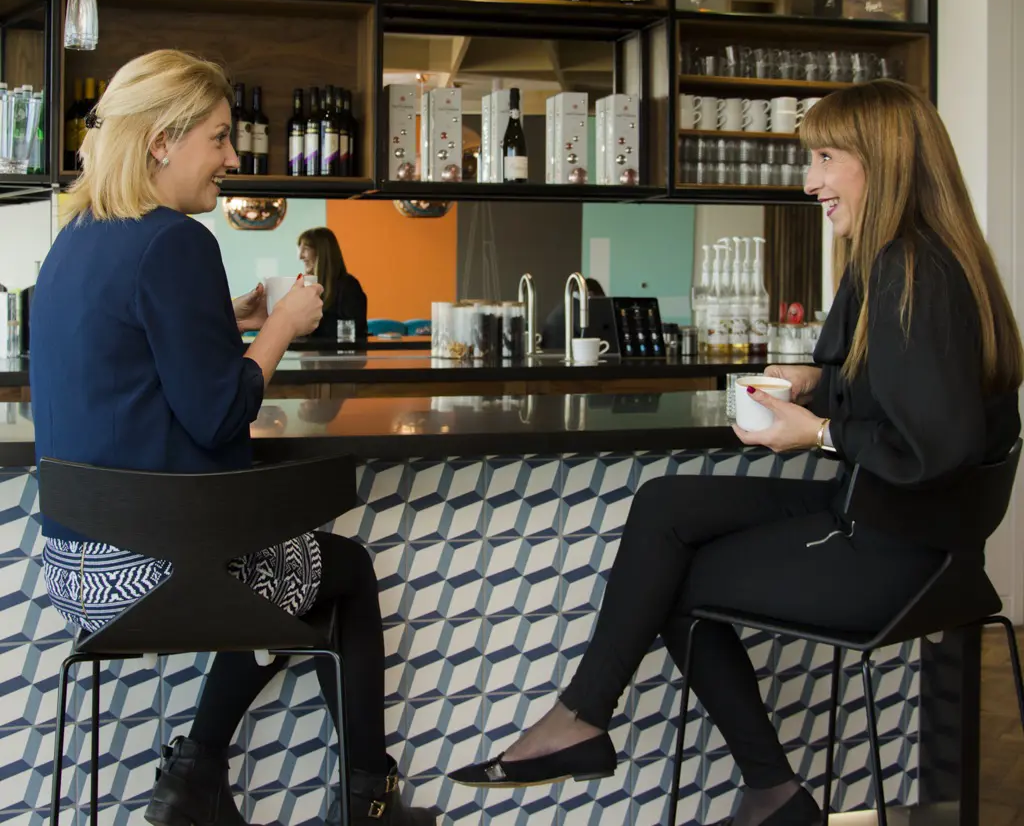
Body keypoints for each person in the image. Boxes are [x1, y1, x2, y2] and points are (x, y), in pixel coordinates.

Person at [449, 79, 1023, 826]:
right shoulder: (923, 259)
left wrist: (812, 431)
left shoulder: (906, 270)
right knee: (667, 506)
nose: (810, 181)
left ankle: (742, 779)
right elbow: (913, 391)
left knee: (671, 582)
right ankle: (598, 724)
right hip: (906, 523)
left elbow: (938, 447)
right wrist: (822, 380)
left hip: (900, 548)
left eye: (823, 158)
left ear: (884, 160)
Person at [31, 50, 432, 826]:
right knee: (341, 574)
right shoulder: (174, 239)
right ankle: (364, 801)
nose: (233, 156)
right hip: (157, 572)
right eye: (217, 138)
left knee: (282, 575)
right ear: (161, 143)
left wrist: (229, 317)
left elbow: (138, 352)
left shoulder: (79, 234)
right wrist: (281, 325)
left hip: (81, 572)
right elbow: (218, 415)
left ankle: (199, 777)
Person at [297, 226, 368, 342]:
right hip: (313, 358)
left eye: (306, 248)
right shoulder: (310, 286)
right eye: (300, 249)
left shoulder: (349, 286)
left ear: (322, 251)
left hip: (340, 358)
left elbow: (352, 333)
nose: (300, 256)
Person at [540, 277, 605, 352]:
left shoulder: (568, 304)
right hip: (561, 353)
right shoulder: (577, 306)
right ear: (590, 294)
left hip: (552, 352)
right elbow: (588, 334)